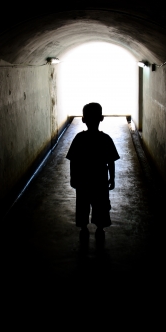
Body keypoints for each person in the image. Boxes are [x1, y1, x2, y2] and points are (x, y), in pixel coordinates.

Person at [66, 102, 120, 241]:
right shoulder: (105, 139)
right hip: (100, 181)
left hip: (83, 181)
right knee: (100, 205)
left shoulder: (79, 138)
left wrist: (73, 177)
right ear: (101, 118)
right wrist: (112, 178)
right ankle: (100, 228)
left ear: (83, 119)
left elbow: (73, 160)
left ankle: (83, 227)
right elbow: (111, 161)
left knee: (83, 205)